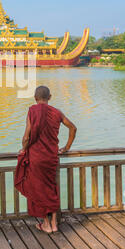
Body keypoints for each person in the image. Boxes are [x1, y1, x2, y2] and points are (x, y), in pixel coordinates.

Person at [16, 85, 77, 233]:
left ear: (35, 98)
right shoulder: (57, 112)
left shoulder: (32, 111)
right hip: (51, 156)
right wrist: (66, 147)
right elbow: (73, 128)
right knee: (51, 188)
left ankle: (46, 224)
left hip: (36, 157)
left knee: (39, 189)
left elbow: (26, 136)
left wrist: (24, 149)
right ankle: (54, 223)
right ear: (49, 97)